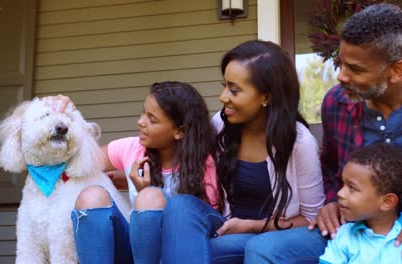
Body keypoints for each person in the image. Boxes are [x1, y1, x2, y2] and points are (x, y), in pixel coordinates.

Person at [157, 40, 326, 263]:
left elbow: (311, 219)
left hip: (282, 236)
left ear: (266, 97)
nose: (223, 97)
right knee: (181, 206)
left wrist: (250, 226)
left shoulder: (299, 143)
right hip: (230, 226)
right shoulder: (221, 125)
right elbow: (178, 148)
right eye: (224, 85)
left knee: (251, 247)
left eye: (234, 90)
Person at [309, 3, 402, 263]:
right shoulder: (336, 103)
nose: (341, 76)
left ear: (397, 69)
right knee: (270, 249)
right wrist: (332, 201)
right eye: (341, 63)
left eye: (356, 69)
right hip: (358, 229)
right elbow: (330, 167)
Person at [53, 81, 224, 263]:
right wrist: (64, 115)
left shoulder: (204, 163)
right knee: (92, 196)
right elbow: (76, 163)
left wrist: (145, 191)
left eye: (152, 119)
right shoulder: (131, 148)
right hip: (136, 250)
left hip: (177, 253)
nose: (141, 122)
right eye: (143, 112)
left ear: (179, 131)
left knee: (149, 197)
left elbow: (206, 224)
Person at [319, 143, 402, 264]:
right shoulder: (344, 236)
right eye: (343, 184)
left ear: (387, 202)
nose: (340, 193)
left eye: (352, 188)